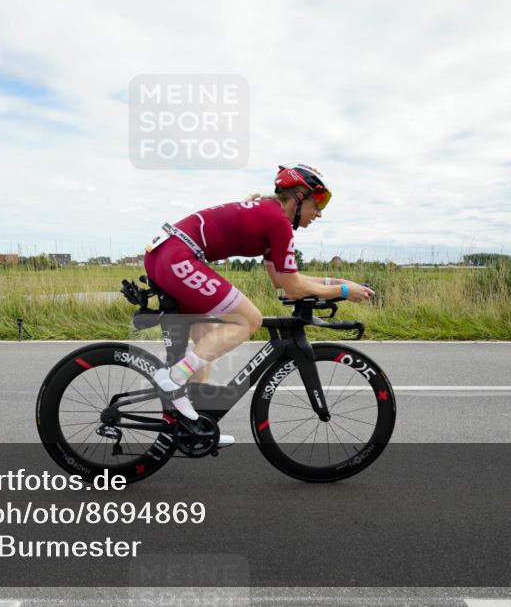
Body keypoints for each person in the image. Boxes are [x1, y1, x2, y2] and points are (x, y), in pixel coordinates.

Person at [142, 165, 376, 446]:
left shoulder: (271, 216)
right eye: (319, 203)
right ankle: (173, 377)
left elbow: (282, 279)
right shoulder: (277, 221)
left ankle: (192, 425)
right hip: (177, 256)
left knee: (205, 339)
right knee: (248, 319)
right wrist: (344, 290)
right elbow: (293, 287)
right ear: (299, 196)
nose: (320, 213)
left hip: (168, 254)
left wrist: (336, 281)